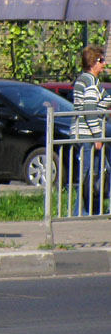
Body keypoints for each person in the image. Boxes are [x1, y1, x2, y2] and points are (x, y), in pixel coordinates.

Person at [72, 44, 109, 215]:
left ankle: (87, 210)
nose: (104, 64)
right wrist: (98, 136)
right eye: (101, 60)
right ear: (93, 62)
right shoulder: (90, 82)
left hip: (85, 132)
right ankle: (81, 212)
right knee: (87, 174)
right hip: (88, 133)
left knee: (90, 173)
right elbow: (89, 110)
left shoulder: (86, 80)